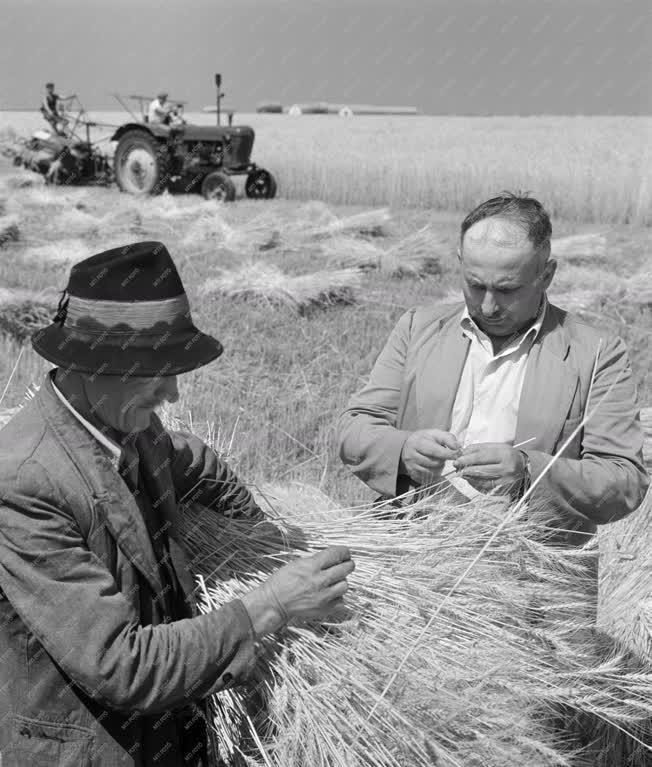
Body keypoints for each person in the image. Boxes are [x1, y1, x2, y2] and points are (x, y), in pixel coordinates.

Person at [0, 241, 355, 767]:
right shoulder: (25, 484)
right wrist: (272, 603)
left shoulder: (128, 426)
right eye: (157, 371)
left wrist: (256, 543)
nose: (173, 393)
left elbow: (198, 463)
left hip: (169, 738)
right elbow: (121, 666)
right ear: (92, 364)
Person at [337, 192, 649, 544]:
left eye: (506, 289)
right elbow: (354, 428)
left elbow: (624, 481)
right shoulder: (416, 328)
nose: (487, 306)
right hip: (411, 553)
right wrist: (403, 450)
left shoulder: (596, 354)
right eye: (475, 285)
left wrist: (528, 474)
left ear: (546, 275)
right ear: (460, 262)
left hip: (531, 571)